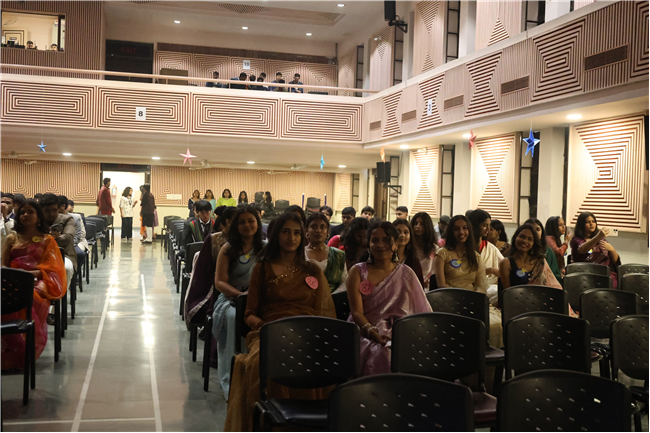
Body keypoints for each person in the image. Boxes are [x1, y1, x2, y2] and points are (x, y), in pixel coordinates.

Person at [224, 212, 335, 431]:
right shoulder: (262, 268)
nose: (291, 238)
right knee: (258, 364)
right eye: (286, 232)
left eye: (296, 233)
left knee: (322, 362)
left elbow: (322, 314)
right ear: (276, 235)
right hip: (271, 332)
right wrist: (267, 328)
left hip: (307, 334)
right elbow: (249, 314)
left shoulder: (312, 270)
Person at [347, 221, 432, 376]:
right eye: (375, 240)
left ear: (395, 245)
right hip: (364, 331)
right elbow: (356, 312)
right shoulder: (358, 271)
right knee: (383, 352)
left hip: (400, 332)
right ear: (369, 244)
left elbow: (421, 311)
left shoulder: (406, 273)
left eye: (386, 240)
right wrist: (373, 333)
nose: (381, 245)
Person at [0, 200, 66, 370]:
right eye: (22, 212)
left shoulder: (47, 240)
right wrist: (15, 276)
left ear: (38, 216)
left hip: (38, 280)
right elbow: (3, 265)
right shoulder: (11, 238)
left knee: (31, 296)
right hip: (12, 280)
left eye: (30, 212)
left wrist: (29, 275)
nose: (25, 215)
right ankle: (9, 350)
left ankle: (26, 349)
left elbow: (53, 269)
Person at [212, 205, 265, 396]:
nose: (247, 225)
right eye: (242, 222)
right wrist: (240, 296)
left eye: (251, 221)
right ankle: (231, 380)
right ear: (235, 225)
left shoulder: (265, 248)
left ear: (258, 224)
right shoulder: (228, 249)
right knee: (235, 317)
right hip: (231, 299)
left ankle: (258, 380)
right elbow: (219, 282)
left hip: (259, 299)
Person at [434, 215, 502, 347]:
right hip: (449, 302)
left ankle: (485, 358)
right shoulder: (442, 254)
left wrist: (473, 298)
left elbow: (480, 285)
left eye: (465, 228)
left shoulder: (475, 256)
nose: (461, 232)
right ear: (451, 231)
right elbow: (441, 285)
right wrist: (461, 300)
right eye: (456, 229)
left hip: (473, 301)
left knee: (496, 324)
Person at [185, 206, 238, 327]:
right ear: (226, 222)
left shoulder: (249, 241)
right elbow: (204, 271)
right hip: (215, 285)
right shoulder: (214, 240)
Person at [499, 223, 564, 291]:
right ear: (515, 237)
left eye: (530, 239)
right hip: (514, 297)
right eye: (522, 236)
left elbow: (553, 286)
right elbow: (507, 292)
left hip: (539, 297)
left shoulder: (540, 262)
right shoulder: (506, 263)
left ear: (534, 243)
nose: (525, 241)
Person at [570, 211, 620, 287]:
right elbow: (582, 249)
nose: (591, 224)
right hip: (587, 276)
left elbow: (615, 261)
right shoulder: (577, 240)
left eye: (593, 221)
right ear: (581, 224)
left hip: (606, 274)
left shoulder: (602, 240)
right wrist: (597, 237)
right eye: (588, 222)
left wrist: (612, 250)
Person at [305, 212, 348, 293]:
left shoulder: (338, 255)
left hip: (334, 298)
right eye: (313, 227)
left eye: (322, 227)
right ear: (306, 230)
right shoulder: (300, 254)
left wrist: (329, 297)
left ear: (327, 231)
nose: (318, 230)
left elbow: (344, 282)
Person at [40, 193, 76, 284]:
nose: (51, 214)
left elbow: (67, 238)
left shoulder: (67, 219)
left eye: (54, 210)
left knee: (66, 268)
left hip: (64, 255)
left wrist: (44, 239)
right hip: (39, 254)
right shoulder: (37, 220)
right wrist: (52, 238)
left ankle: (62, 292)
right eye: (47, 211)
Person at [469, 210, 503, 289]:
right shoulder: (463, 248)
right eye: (484, 225)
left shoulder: (491, 248)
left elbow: (503, 265)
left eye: (489, 226)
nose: (488, 229)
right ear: (474, 226)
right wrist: (490, 270)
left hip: (488, 288)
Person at [58, 196, 88, 273]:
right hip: (58, 243)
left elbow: (79, 235)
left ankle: (75, 274)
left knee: (80, 254)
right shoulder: (53, 217)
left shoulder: (75, 218)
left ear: (63, 206)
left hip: (73, 242)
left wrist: (70, 244)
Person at [411, 212, 439, 291]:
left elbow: (434, 270)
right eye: (416, 223)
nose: (418, 226)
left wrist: (428, 280)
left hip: (426, 286)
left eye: (422, 224)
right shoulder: (408, 247)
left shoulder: (434, 248)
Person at [393, 219, 425, 287]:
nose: (402, 235)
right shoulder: (385, 258)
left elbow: (419, 286)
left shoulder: (413, 261)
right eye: (398, 232)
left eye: (406, 232)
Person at [0, 193, 15, 261]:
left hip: (7, 256)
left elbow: (12, 234)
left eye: (8, 203)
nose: (4, 205)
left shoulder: (17, 219)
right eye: (2, 202)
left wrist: (5, 217)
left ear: (13, 205)